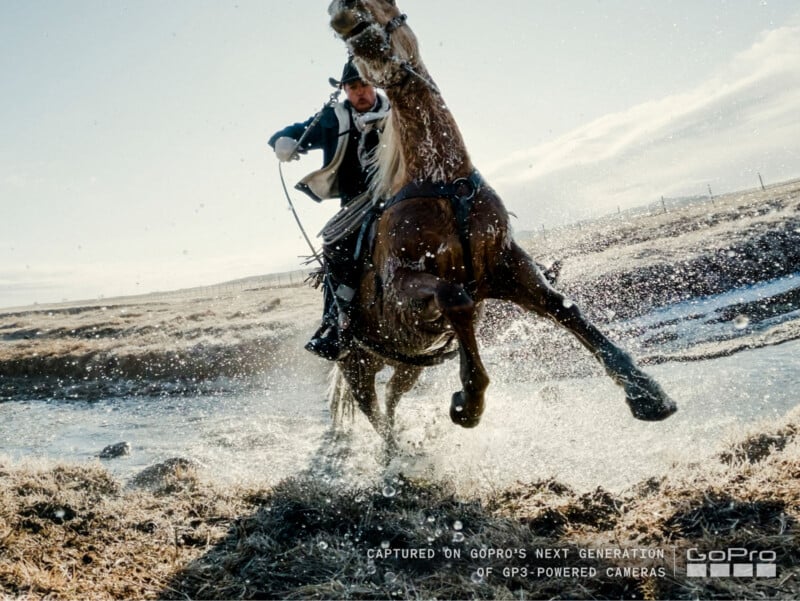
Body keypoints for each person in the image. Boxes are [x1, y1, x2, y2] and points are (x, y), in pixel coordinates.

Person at [269, 60, 390, 361]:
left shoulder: (397, 112)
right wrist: (283, 143)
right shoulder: (331, 120)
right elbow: (296, 131)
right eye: (353, 87)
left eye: (364, 84)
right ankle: (336, 323)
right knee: (334, 244)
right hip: (356, 204)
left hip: (400, 193)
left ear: (373, 83)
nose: (360, 92)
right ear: (344, 90)